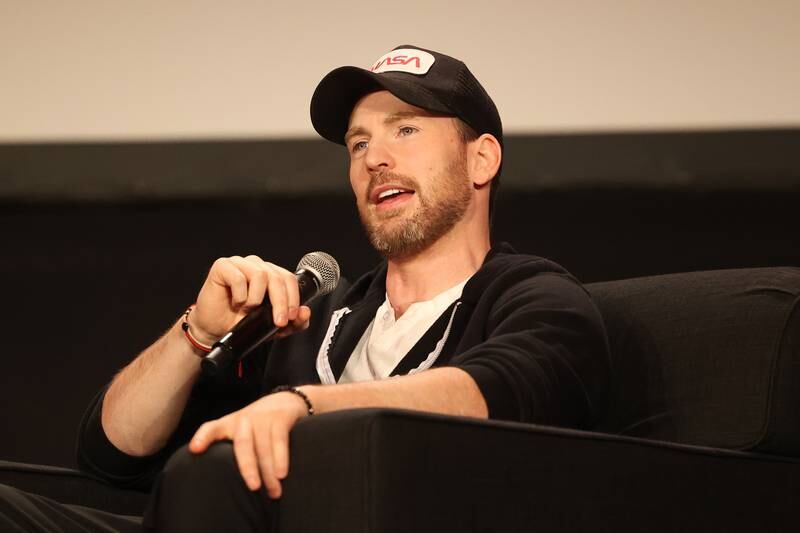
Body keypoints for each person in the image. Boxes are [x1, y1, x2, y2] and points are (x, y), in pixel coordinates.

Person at [1, 45, 610, 532]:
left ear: (481, 160)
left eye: (406, 131)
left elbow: (498, 390)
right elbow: (112, 453)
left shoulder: (534, 297)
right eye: (359, 144)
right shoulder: (314, 318)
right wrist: (199, 332)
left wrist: (302, 408)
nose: (374, 160)